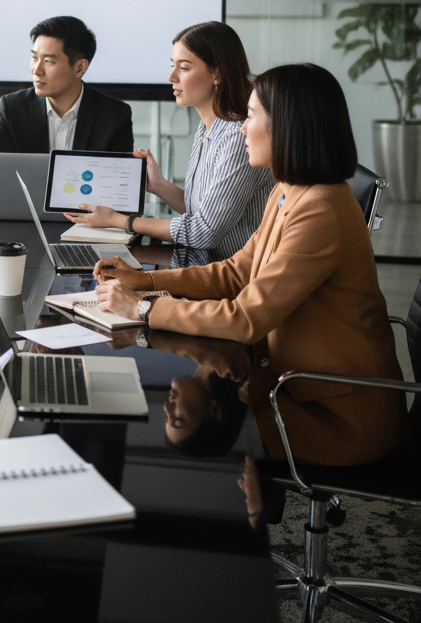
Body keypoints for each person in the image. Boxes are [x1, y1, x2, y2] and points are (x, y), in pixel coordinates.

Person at [93, 63, 408, 467]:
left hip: (335, 415)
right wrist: (145, 279)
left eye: (252, 116)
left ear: (288, 126)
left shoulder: (320, 210)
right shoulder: (290, 189)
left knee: (207, 460)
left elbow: (244, 319)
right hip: (292, 380)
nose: (241, 128)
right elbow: (237, 271)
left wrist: (141, 308)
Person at [64, 21, 273, 258]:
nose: (171, 76)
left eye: (184, 68)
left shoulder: (237, 137)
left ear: (218, 74)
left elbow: (204, 231)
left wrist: (122, 221)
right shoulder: (208, 128)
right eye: (173, 66)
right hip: (204, 265)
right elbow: (202, 212)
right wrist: (159, 186)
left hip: (231, 278)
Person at [0, 16, 133, 200]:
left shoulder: (115, 115)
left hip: (87, 223)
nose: (36, 70)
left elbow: (119, 192)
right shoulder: (13, 108)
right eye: (34, 57)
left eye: (48, 61)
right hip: (27, 221)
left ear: (79, 68)